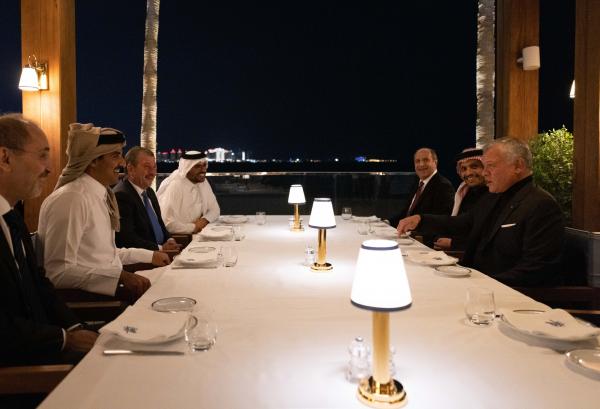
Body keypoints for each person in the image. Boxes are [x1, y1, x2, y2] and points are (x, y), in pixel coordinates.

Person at [397, 137, 564, 287]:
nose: (484, 172)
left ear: (518, 166)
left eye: (490, 166)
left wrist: (480, 284)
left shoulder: (541, 205)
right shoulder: (494, 197)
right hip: (476, 282)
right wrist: (421, 220)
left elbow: (535, 270)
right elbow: (464, 223)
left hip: (504, 294)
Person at [0, 114, 97, 367]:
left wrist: (75, 327)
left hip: (43, 350)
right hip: (21, 374)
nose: (49, 169)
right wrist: (65, 339)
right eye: (42, 156)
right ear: (5, 158)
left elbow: (39, 284)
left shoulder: (12, 217)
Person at [38, 123, 170, 302]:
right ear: (93, 160)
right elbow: (58, 273)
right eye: (115, 156)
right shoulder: (72, 199)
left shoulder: (100, 195)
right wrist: (120, 278)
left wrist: (151, 255)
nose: (122, 163)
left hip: (111, 291)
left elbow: (106, 256)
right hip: (94, 303)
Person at [113, 146, 180, 252]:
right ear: (131, 169)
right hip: (145, 258)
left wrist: (170, 239)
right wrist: (161, 249)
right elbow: (127, 240)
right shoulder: (122, 196)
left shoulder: (149, 192)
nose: (153, 173)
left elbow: (160, 224)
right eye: (147, 167)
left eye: (154, 167)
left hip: (163, 253)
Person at [389, 147, 454, 244]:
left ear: (435, 162)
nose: (421, 164)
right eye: (417, 161)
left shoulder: (443, 186)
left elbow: (441, 219)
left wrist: (414, 235)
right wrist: (387, 222)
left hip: (424, 241)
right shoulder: (418, 183)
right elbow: (406, 213)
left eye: (425, 160)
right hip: (407, 236)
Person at [434, 148, 488, 251]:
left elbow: (486, 238)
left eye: (474, 166)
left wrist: (453, 243)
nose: (468, 173)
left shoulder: (493, 194)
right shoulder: (464, 192)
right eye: (464, 169)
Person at [157, 150, 220, 234]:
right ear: (187, 168)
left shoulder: (203, 182)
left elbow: (215, 210)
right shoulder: (175, 186)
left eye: (204, 165)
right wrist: (194, 227)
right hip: (181, 237)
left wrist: (204, 220)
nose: (203, 169)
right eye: (197, 166)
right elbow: (167, 224)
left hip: (199, 233)